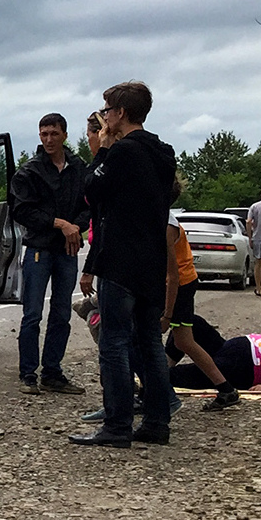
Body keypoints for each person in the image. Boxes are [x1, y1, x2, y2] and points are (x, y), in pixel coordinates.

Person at [71, 81, 177, 449]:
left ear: (121, 113)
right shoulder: (164, 152)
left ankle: (116, 424)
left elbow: (93, 189)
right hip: (151, 259)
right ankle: (157, 421)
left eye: (109, 110)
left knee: (114, 341)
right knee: (149, 340)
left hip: (120, 258)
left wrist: (101, 151)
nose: (106, 117)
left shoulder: (123, 152)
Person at [9, 112, 90, 395]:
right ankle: (28, 374)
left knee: (61, 312)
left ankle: (52, 372)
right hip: (39, 249)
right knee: (32, 313)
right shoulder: (29, 172)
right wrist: (60, 224)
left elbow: (91, 204)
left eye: (54, 134)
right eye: (44, 134)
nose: (48, 139)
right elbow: (22, 210)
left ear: (64, 135)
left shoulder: (79, 168)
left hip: (67, 250)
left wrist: (76, 228)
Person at [166, 214, 242, 409]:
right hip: (181, 282)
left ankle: (149, 390)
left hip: (177, 285)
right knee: (184, 341)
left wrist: (167, 313)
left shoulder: (166, 225)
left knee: (171, 339)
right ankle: (225, 388)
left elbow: (172, 274)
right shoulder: (165, 219)